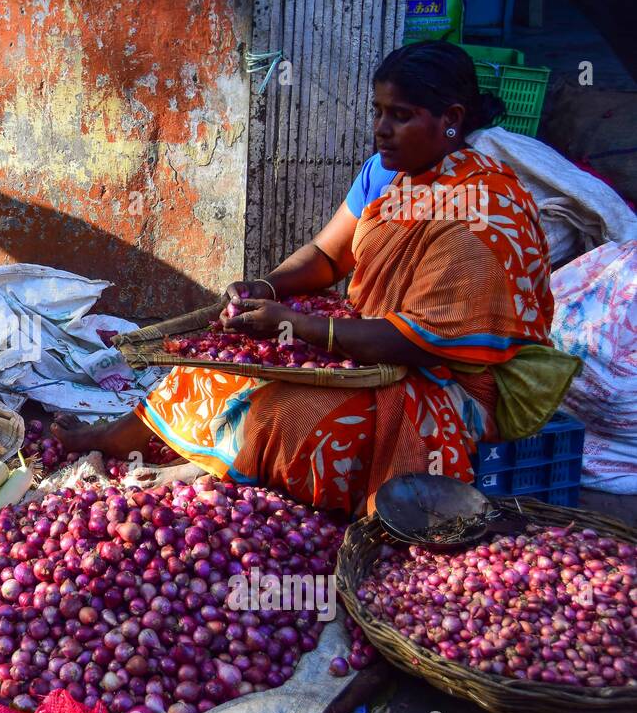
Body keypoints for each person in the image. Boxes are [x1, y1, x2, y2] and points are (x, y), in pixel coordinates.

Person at [57, 41, 577, 514]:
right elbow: (328, 257)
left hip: (442, 379)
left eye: (401, 115)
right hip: (363, 339)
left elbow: (425, 342)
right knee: (214, 365)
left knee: (291, 415)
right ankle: (120, 438)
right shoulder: (387, 171)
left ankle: (227, 473)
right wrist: (269, 287)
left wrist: (301, 328)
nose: (381, 129)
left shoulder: (481, 209)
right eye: (378, 111)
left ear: (451, 119)